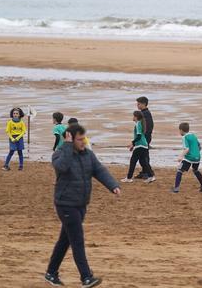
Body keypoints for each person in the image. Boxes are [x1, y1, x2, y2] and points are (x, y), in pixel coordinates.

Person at [44, 124, 120, 288]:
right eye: (79, 139)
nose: (83, 142)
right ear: (70, 138)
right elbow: (62, 167)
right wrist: (68, 146)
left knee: (65, 240)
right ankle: (86, 277)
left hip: (81, 204)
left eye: (84, 138)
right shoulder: (59, 154)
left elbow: (99, 170)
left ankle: (51, 273)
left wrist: (113, 185)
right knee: (77, 240)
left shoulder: (88, 155)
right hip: (65, 204)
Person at [122, 110, 155, 184]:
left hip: (140, 145)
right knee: (143, 162)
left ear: (136, 117)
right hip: (143, 145)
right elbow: (139, 136)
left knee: (133, 161)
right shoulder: (140, 123)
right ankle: (151, 176)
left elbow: (139, 136)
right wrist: (133, 145)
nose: (133, 117)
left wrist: (132, 143)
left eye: (133, 116)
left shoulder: (138, 124)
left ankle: (129, 178)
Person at [172, 122, 202, 193]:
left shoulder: (184, 137)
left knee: (179, 170)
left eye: (179, 130)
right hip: (197, 157)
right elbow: (200, 147)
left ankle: (176, 188)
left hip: (189, 157)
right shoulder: (193, 135)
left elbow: (186, 149)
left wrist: (180, 156)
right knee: (195, 170)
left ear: (181, 130)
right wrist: (195, 153)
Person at [135, 97, 154, 179]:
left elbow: (149, 127)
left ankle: (147, 172)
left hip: (145, 137)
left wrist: (144, 139)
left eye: (138, 104)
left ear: (143, 104)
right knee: (142, 156)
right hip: (144, 137)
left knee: (144, 156)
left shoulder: (146, 114)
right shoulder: (143, 113)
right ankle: (145, 171)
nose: (137, 105)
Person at [3, 107, 26, 171]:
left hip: (20, 138)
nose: (15, 114)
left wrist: (18, 137)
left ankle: (21, 166)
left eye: (17, 113)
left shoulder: (21, 122)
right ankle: (6, 165)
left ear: (19, 114)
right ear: (12, 114)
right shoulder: (10, 122)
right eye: (14, 113)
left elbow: (23, 131)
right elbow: (8, 131)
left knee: (20, 152)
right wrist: (12, 138)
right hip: (12, 138)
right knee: (11, 151)